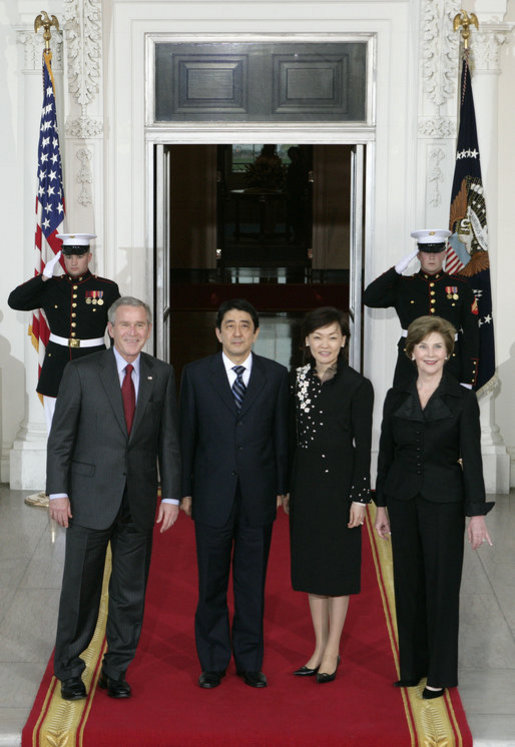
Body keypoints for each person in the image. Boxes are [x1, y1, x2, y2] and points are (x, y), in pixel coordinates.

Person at [47, 296, 181, 701]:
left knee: (130, 591)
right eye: (125, 324)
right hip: (88, 499)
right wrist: (58, 491)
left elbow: (169, 440)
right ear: (110, 328)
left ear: (149, 330)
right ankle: (70, 669)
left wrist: (172, 495)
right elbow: (61, 439)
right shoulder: (81, 371)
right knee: (81, 590)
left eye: (140, 325)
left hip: (138, 500)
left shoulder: (162, 374)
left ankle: (116, 669)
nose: (133, 332)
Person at [374, 315, 493, 699]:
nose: (430, 353)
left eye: (437, 346)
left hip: (445, 502)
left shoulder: (462, 399)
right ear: (411, 352)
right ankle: (412, 668)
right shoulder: (395, 395)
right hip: (403, 498)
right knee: (408, 584)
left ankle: (440, 673)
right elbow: (386, 455)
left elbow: (472, 458)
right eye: (422, 346)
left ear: (447, 352)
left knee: (442, 587)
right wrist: (381, 505)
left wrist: (475, 514)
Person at [179, 298, 289, 690]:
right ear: (218, 332)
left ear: (256, 332)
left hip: (259, 496)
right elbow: (186, 437)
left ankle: (248, 661)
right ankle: (212, 661)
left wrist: (281, 488)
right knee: (210, 583)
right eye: (230, 325)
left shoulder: (276, 376)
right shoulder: (195, 375)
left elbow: (281, 438)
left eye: (245, 325)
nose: (237, 332)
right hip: (210, 495)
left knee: (250, 583)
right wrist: (184, 491)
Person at [284, 307, 373, 684]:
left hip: (341, 490)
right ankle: (318, 647)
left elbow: (364, 444)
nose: (325, 344)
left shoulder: (357, 385)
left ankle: (333, 649)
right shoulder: (295, 381)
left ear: (344, 341)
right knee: (312, 571)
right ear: (306, 341)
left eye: (332, 337)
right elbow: (288, 439)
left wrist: (359, 496)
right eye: (317, 337)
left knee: (337, 573)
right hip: (305, 489)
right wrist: (286, 488)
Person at [8, 232, 120, 507]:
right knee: (55, 430)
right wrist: (43, 278)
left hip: (94, 363)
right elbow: (15, 301)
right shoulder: (50, 286)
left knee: (94, 430)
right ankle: (55, 489)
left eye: (79, 255)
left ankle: (90, 486)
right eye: (68, 256)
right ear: (63, 258)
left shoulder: (106, 288)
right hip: (58, 366)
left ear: (89, 257)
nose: (73, 261)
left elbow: (118, 326)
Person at [363, 229, 479, 388]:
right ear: (418, 255)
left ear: (445, 254)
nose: (432, 256)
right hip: (410, 363)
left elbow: (472, 334)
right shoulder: (404, 285)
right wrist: (397, 270)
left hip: (449, 362)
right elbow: (369, 298)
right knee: (406, 410)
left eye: (437, 251)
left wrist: (467, 378)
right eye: (426, 251)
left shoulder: (461, 286)